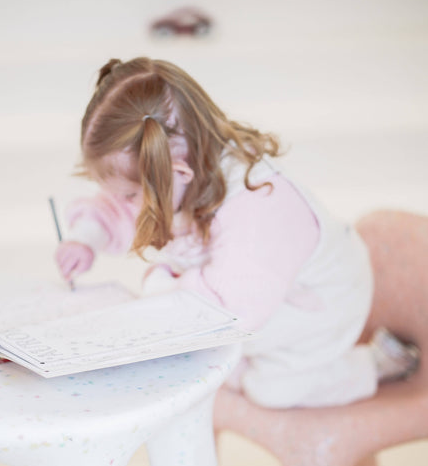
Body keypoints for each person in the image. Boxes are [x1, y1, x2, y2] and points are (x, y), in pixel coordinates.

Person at [55, 57, 419, 408]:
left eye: (132, 195)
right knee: (208, 357)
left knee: (269, 390)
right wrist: (87, 237)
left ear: (178, 174)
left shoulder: (259, 206)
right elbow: (116, 207)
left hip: (317, 307)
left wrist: (162, 285)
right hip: (256, 288)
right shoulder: (178, 175)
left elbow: (229, 312)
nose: (125, 204)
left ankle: (373, 365)